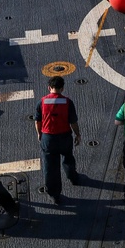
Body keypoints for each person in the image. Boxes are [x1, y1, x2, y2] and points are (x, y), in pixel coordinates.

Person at [35, 75, 81, 205]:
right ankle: (73, 177)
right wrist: (78, 134)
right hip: (65, 137)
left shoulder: (42, 102)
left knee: (50, 167)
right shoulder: (67, 102)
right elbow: (73, 122)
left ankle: (55, 194)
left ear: (49, 87)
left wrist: (40, 134)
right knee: (68, 158)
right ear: (62, 88)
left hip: (48, 138)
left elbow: (38, 121)